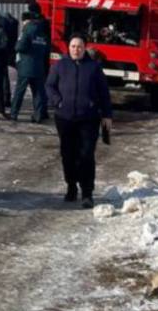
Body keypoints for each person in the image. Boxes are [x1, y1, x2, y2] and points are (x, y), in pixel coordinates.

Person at [45, 35, 113, 207]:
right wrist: (57, 101)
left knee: (86, 155)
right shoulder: (59, 66)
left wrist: (107, 115)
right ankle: (71, 187)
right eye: (73, 46)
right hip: (65, 118)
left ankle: (87, 192)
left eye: (79, 46)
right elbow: (49, 86)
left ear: (85, 48)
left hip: (88, 118)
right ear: (68, 48)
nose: (76, 49)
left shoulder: (94, 68)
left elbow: (104, 92)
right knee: (68, 155)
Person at [11, 3, 51, 122]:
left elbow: (19, 47)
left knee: (20, 92)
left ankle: (14, 113)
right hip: (39, 67)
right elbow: (46, 48)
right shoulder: (43, 30)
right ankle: (38, 116)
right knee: (38, 93)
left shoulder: (27, 29)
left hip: (26, 66)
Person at [0, 4, 20, 108]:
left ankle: (4, 98)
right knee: (5, 77)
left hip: (3, 53)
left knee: (3, 77)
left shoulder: (2, 24)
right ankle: (7, 98)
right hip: (10, 50)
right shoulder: (14, 23)